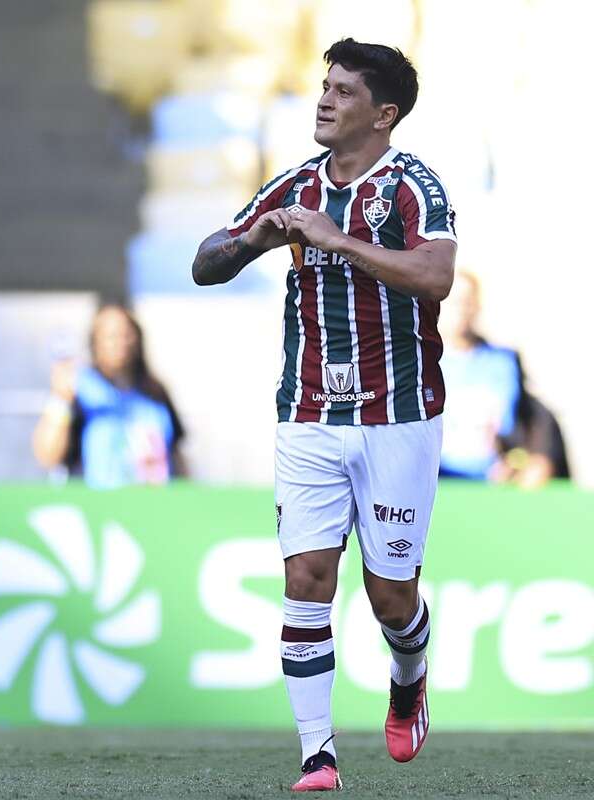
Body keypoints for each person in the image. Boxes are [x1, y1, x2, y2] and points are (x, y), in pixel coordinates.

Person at [192, 39, 456, 791]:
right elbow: (203, 264)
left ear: (384, 113)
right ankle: (318, 754)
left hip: (398, 414)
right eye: (324, 85)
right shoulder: (296, 185)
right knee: (307, 574)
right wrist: (250, 240)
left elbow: (435, 276)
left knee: (389, 595)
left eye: (343, 91)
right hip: (308, 409)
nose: (324, 99)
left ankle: (409, 674)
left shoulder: (411, 188)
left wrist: (338, 241)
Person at [32, 303, 186, 487]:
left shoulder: (154, 392)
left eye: (125, 334)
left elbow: (176, 453)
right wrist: (60, 399)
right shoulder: (79, 388)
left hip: (151, 504)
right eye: (110, 336)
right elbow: (48, 455)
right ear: (95, 341)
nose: (119, 342)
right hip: (98, 507)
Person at [438, 271, 568, 487]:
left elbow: (532, 418)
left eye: (467, 302)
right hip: (436, 479)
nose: (461, 310)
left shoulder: (504, 362)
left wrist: (538, 459)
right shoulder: (418, 364)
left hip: (495, 480)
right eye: (453, 302)